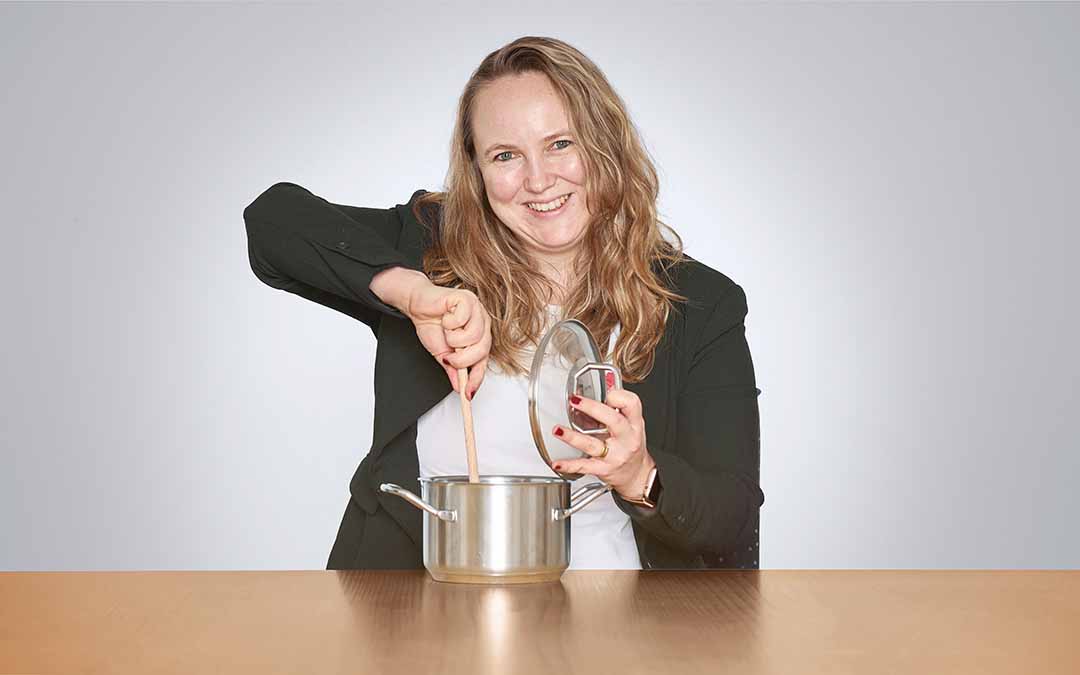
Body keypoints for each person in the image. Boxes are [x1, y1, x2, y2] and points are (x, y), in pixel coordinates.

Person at [243, 36, 763, 570]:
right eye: (506, 155)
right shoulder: (431, 249)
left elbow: (732, 516)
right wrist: (414, 294)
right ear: (478, 170)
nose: (538, 180)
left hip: (615, 608)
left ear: (605, 145)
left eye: (561, 143)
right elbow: (271, 222)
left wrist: (640, 475)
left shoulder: (700, 303)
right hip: (410, 601)